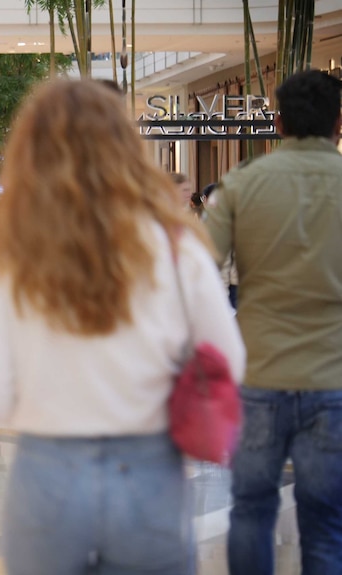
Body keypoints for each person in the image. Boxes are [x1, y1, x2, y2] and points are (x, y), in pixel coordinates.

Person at [0, 79, 245, 574]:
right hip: (151, 470)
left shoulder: (17, 252)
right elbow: (228, 359)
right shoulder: (176, 246)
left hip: (48, 473)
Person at [204, 69, 342, 575]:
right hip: (333, 379)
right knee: (327, 522)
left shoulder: (243, 184)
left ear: (277, 122)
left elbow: (199, 271)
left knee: (251, 510)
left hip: (259, 375)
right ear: (339, 123)